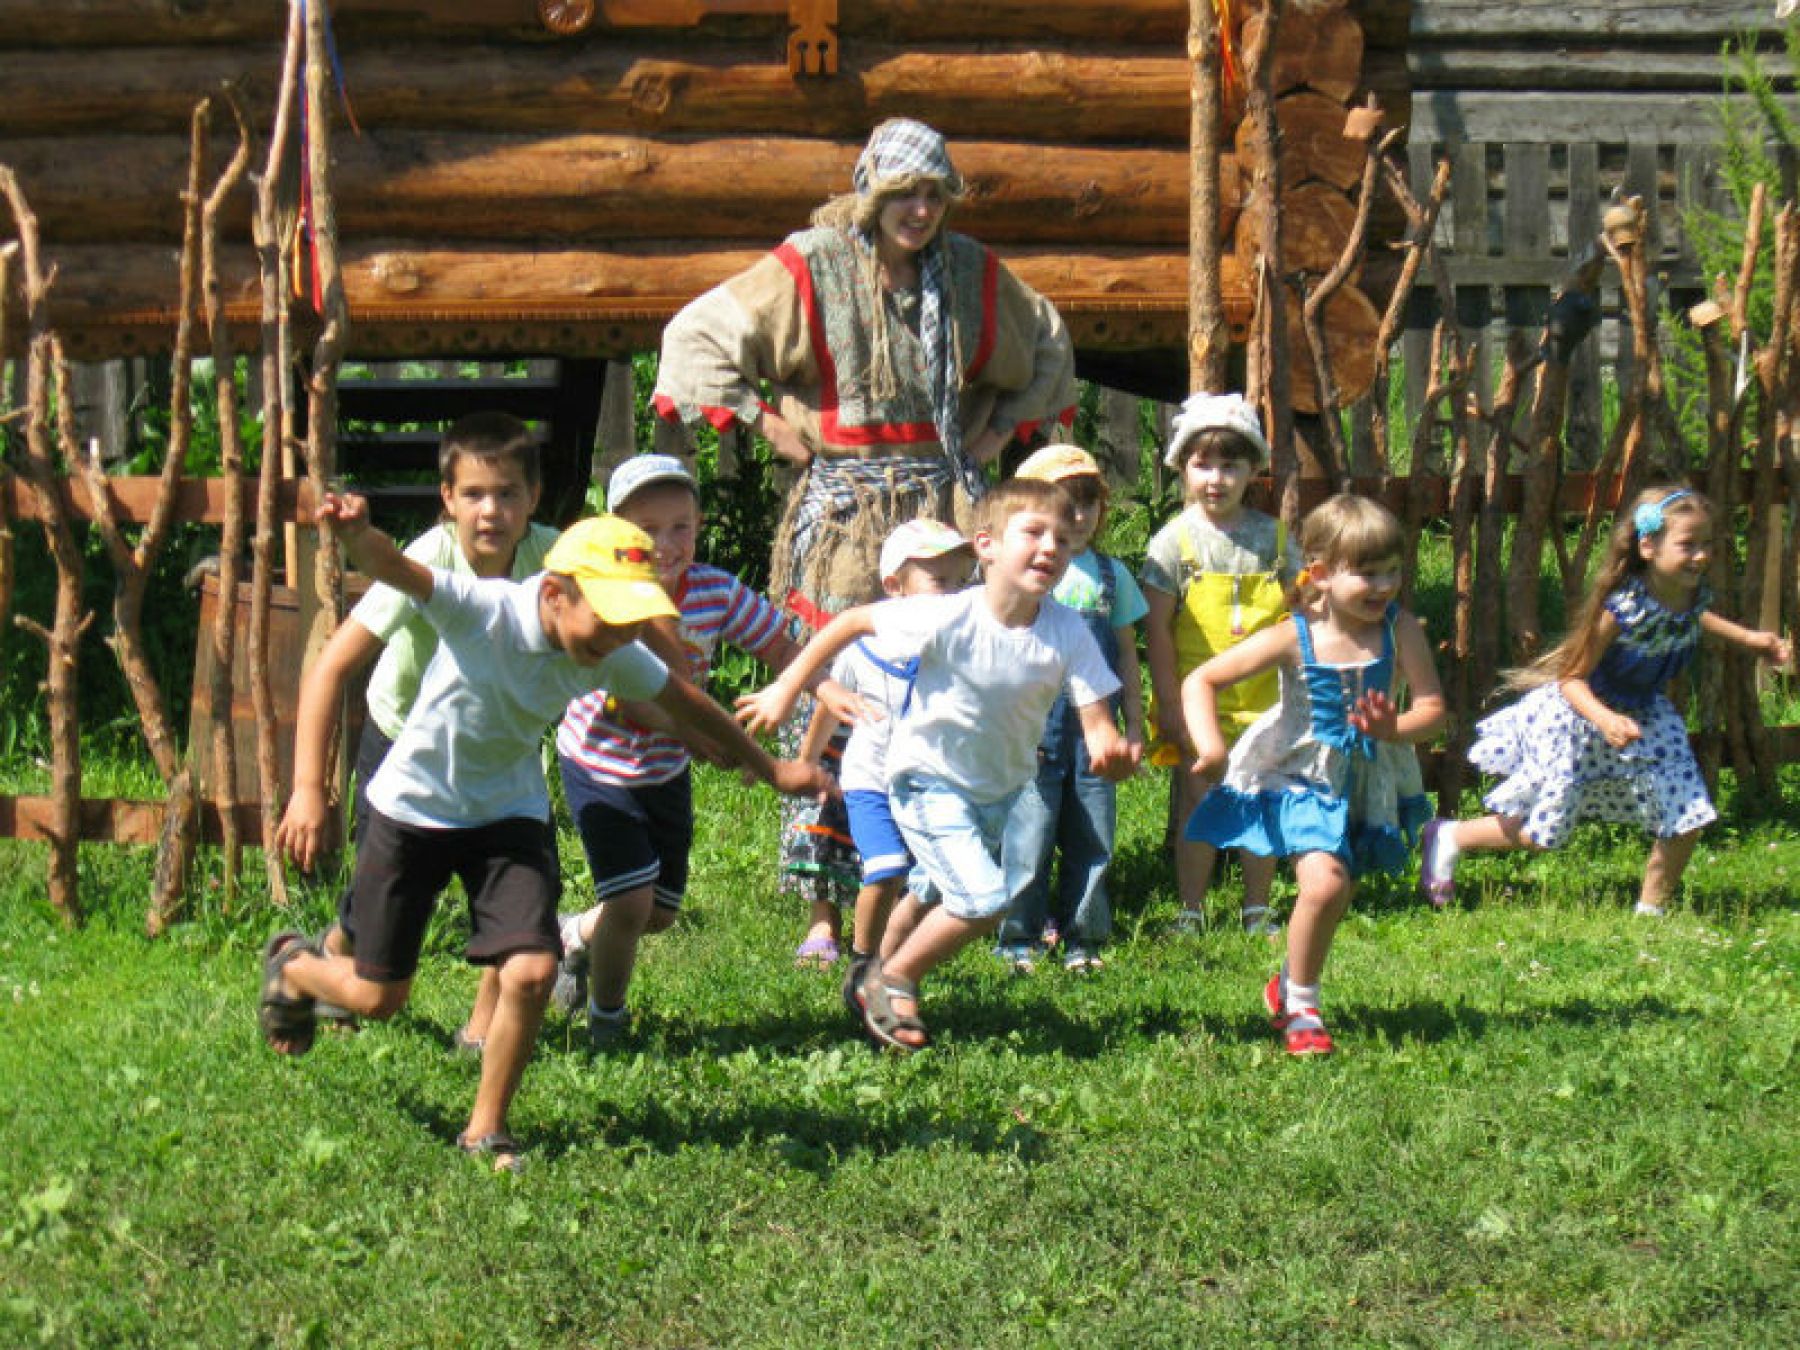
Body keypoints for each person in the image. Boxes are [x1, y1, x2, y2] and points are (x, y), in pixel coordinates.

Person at [264, 502, 829, 1172]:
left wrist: (773, 768)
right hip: (413, 810)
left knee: (531, 972)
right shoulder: (484, 609)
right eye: (609, 618)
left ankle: (486, 1129)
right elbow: (399, 570)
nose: (620, 638)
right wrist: (358, 535)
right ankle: (296, 967)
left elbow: (686, 701)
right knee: (380, 997)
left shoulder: (609, 647)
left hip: (507, 818)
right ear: (556, 592)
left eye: (630, 622)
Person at [652, 117, 1078, 978]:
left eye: (934, 195)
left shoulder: (969, 273)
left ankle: (922, 877)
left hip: (943, 507)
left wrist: (992, 438)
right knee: (838, 699)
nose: (919, 210)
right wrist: (771, 421)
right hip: (845, 518)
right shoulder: (813, 263)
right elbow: (695, 338)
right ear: (872, 194)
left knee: (937, 692)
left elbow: (1050, 346)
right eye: (903, 194)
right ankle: (822, 898)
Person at [738, 478, 1141, 1052]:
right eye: (1033, 532)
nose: (1051, 546)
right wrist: (786, 689)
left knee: (928, 893)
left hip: (999, 793)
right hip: (926, 780)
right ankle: (895, 980)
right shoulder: (947, 614)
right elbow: (850, 624)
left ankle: (875, 975)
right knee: (981, 899)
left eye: (1061, 537)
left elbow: (1097, 721)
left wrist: (1110, 750)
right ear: (987, 546)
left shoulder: (1066, 629)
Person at [285, 412, 557, 1036]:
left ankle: (480, 1031)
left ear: (534, 498)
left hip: (495, 757)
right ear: (447, 500)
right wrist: (306, 789)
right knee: (375, 910)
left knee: (524, 904)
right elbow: (330, 668)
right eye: (473, 494)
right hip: (403, 746)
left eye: (508, 493)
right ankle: (323, 964)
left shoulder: (551, 558)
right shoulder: (426, 561)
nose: (491, 511)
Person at [534, 454, 805, 1048]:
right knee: (629, 901)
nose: (665, 543)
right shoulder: (604, 602)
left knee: (656, 914)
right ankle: (608, 1022)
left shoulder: (712, 591)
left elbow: (782, 645)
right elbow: (637, 704)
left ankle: (573, 936)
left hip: (665, 772)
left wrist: (805, 684)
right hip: (600, 765)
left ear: (699, 523)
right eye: (646, 530)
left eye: (679, 526)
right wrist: (709, 741)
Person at [1418, 486, 1790, 918]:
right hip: (1577, 717)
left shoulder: (1689, 595)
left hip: (1645, 714)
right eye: (1689, 545)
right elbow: (1570, 679)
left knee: (1687, 811)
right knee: (1544, 831)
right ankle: (1450, 836)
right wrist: (1605, 717)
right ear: (1647, 546)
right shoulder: (1620, 609)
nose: (1702, 556)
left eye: (1708, 545)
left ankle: (1651, 911)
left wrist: (1750, 639)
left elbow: (1694, 617)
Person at [1182, 495, 1445, 1056]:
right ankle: (1302, 1005)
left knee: (1335, 891)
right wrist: (1211, 747)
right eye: (1367, 574)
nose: (1384, 586)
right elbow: (1200, 681)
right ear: (1321, 574)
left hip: (1363, 781)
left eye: (1392, 571)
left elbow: (1433, 710)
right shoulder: (1292, 635)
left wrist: (1393, 727)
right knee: (1325, 883)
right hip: (1297, 776)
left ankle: (1286, 984)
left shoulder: (1401, 631)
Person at [797, 518, 976, 1014]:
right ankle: (862, 963)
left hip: (930, 782)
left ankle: (894, 961)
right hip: (869, 780)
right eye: (938, 581)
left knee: (933, 877)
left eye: (962, 582)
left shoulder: (962, 645)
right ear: (894, 587)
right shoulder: (866, 644)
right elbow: (828, 706)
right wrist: (808, 763)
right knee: (886, 865)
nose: (953, 594)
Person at [1143, 393, 1300, 937]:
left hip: (1266, 699)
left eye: (1230, 465)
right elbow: (1158, 631)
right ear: (1183, 467)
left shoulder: (1275, 539)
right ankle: (1191, 909)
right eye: (1202, 464)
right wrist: (1167, 701)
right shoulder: (1172, 543)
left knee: (1261, 794)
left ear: (1252, 469)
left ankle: (1257, 907)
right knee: (1197, 798)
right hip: (1198, 699)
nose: (1216, 478)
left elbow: (1300, 617)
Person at [995, 445, 1147, 973]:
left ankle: (1083, 934)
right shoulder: (1025, 573)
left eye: (1087, 503)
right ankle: (1019, 934)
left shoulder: (1112, 575)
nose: (1078, 516)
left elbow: (1125, 653)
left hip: (1096, 728)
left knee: (1093, 827)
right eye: (1063, 504)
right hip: (1034, 723)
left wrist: (1136, 721)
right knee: (1029, 827)